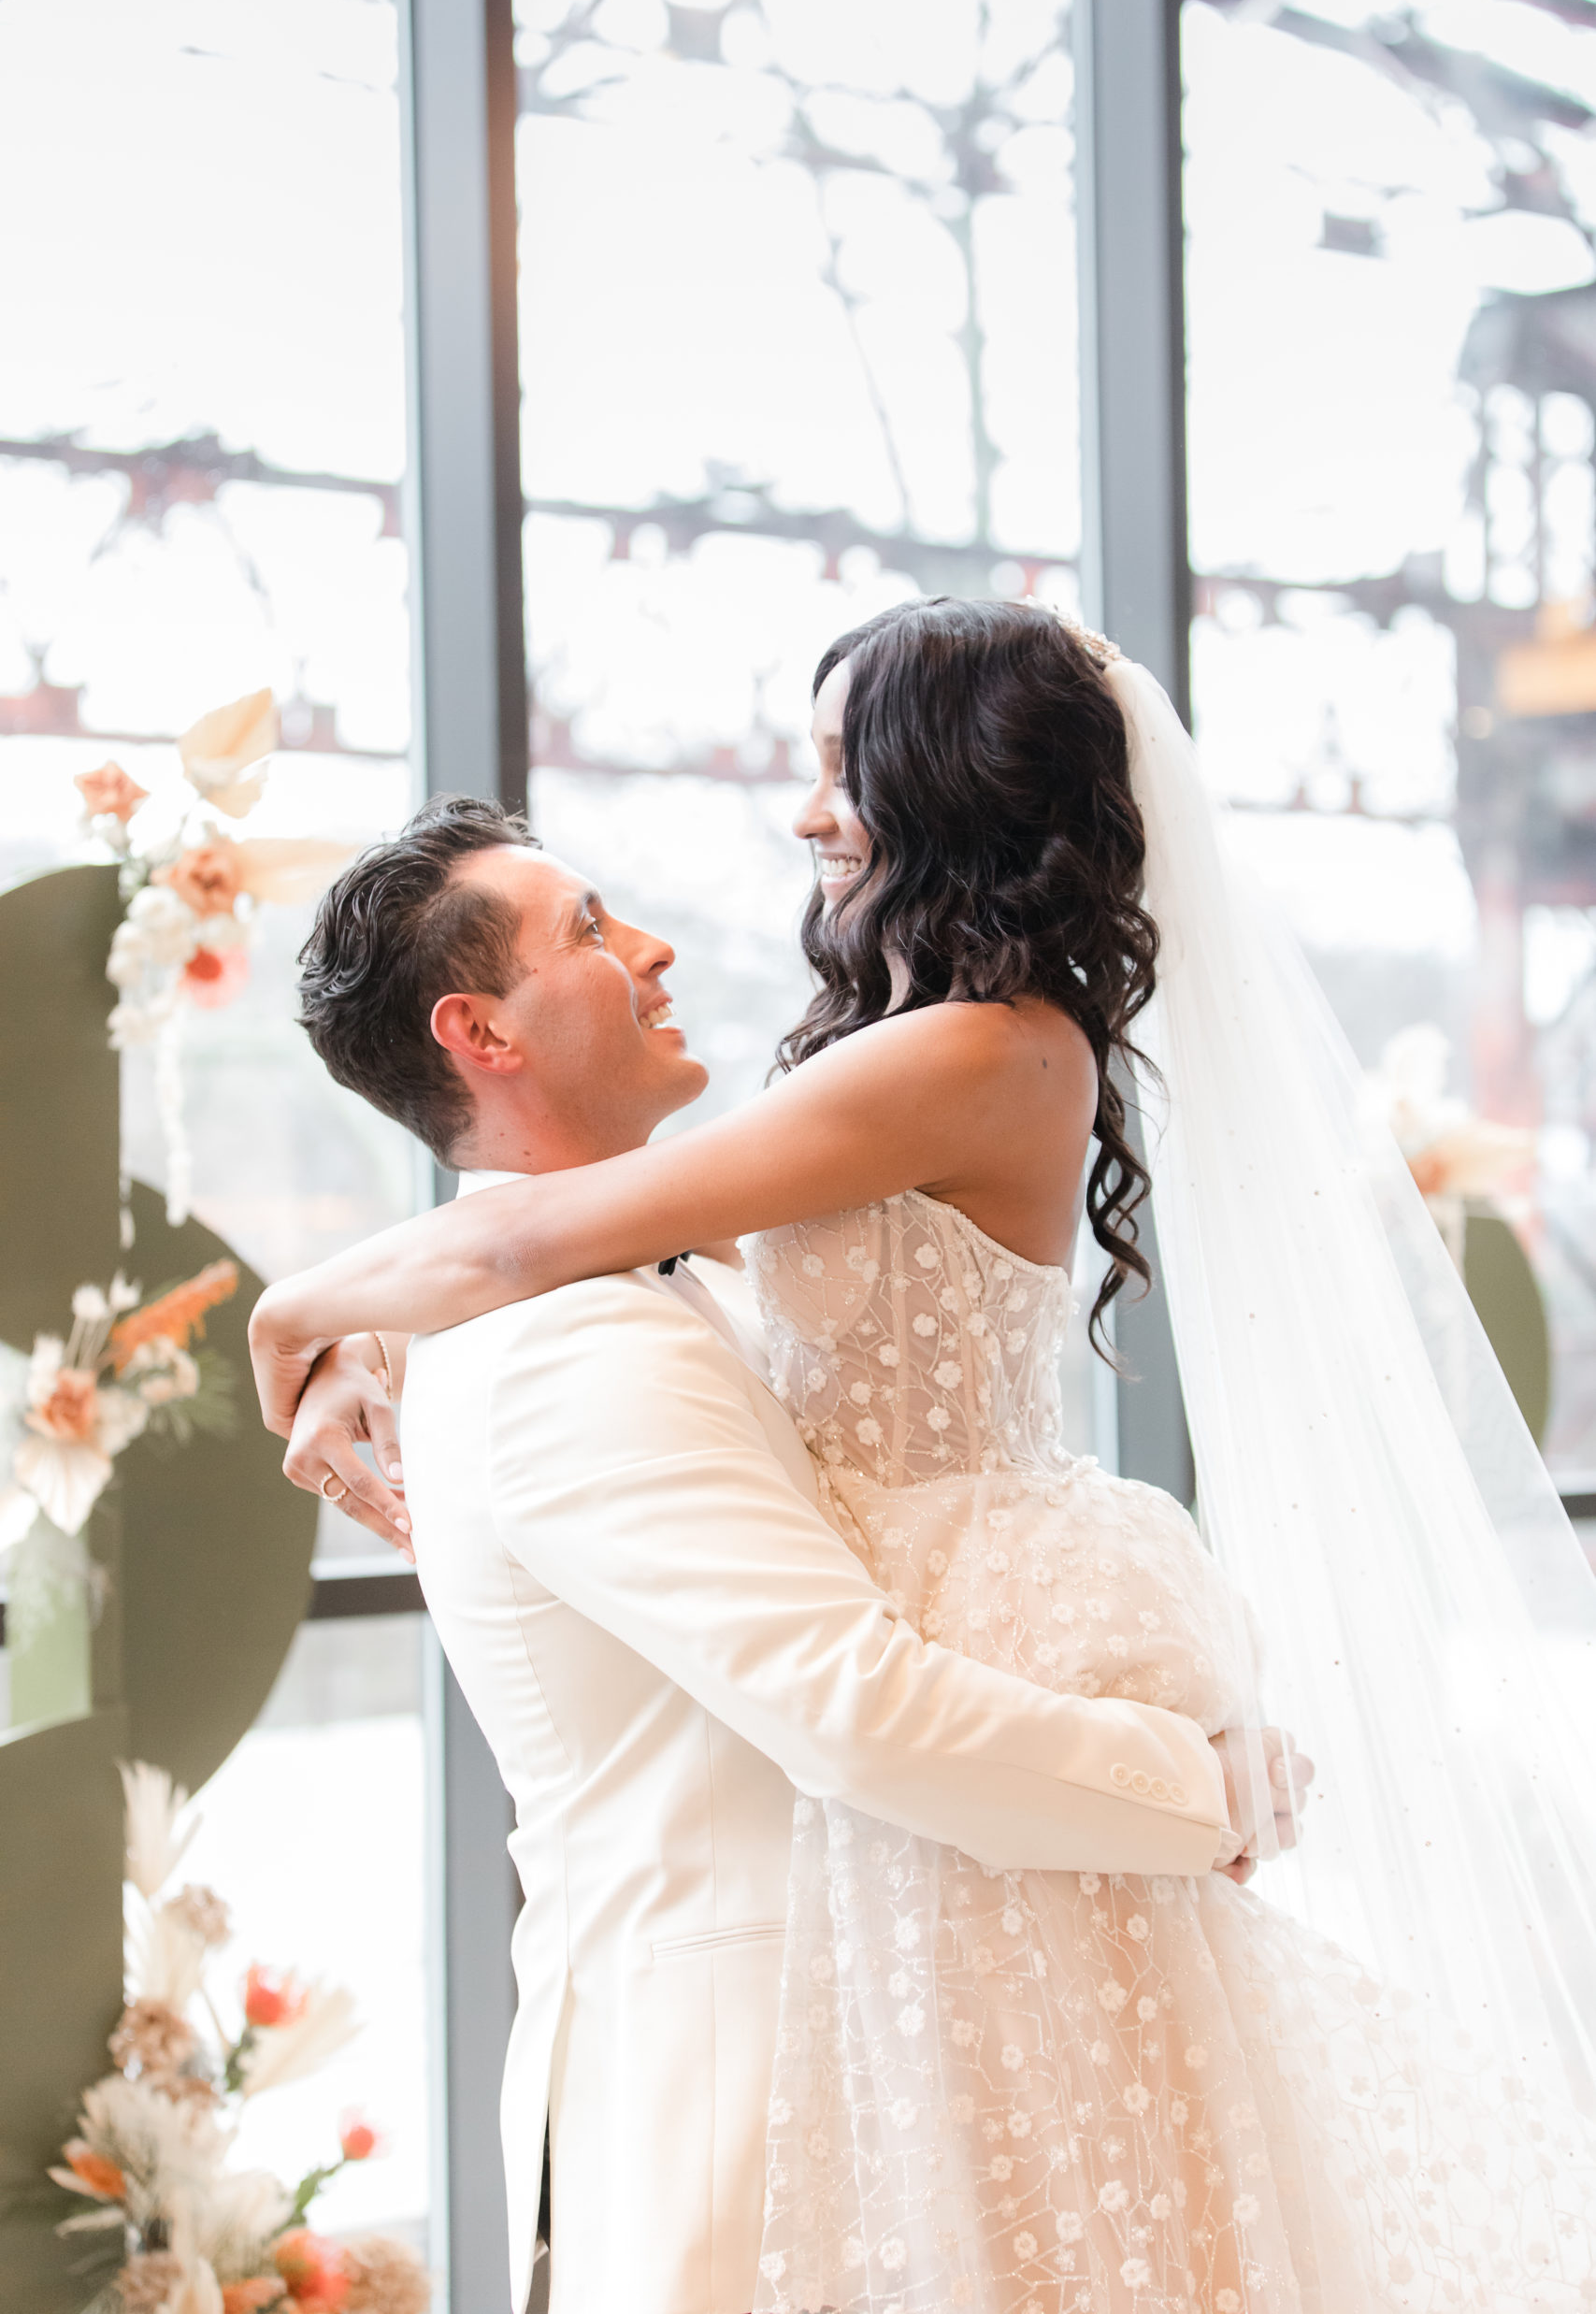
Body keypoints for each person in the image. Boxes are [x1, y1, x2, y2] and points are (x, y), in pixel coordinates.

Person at [256, 601, 1596, 2310]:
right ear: (483, 1038)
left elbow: (546, 1242)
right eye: (593, 926)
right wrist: (381, 1324)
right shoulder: (643, 1295)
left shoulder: (967, 1055)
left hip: (952, 1724)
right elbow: (577, 1262)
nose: (807, 815)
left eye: (838, 769)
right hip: (877, 1844)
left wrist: (293, 1309)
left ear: (940, 787)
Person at [270, 793, 1284, 2314]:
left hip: (868, 2066)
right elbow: (855, 1707)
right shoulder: (565, 1354)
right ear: (480, 1032)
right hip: (737, 2110)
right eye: (594, 933)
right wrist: (1206, 1787)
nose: (657, 949)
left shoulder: (671, 1292)